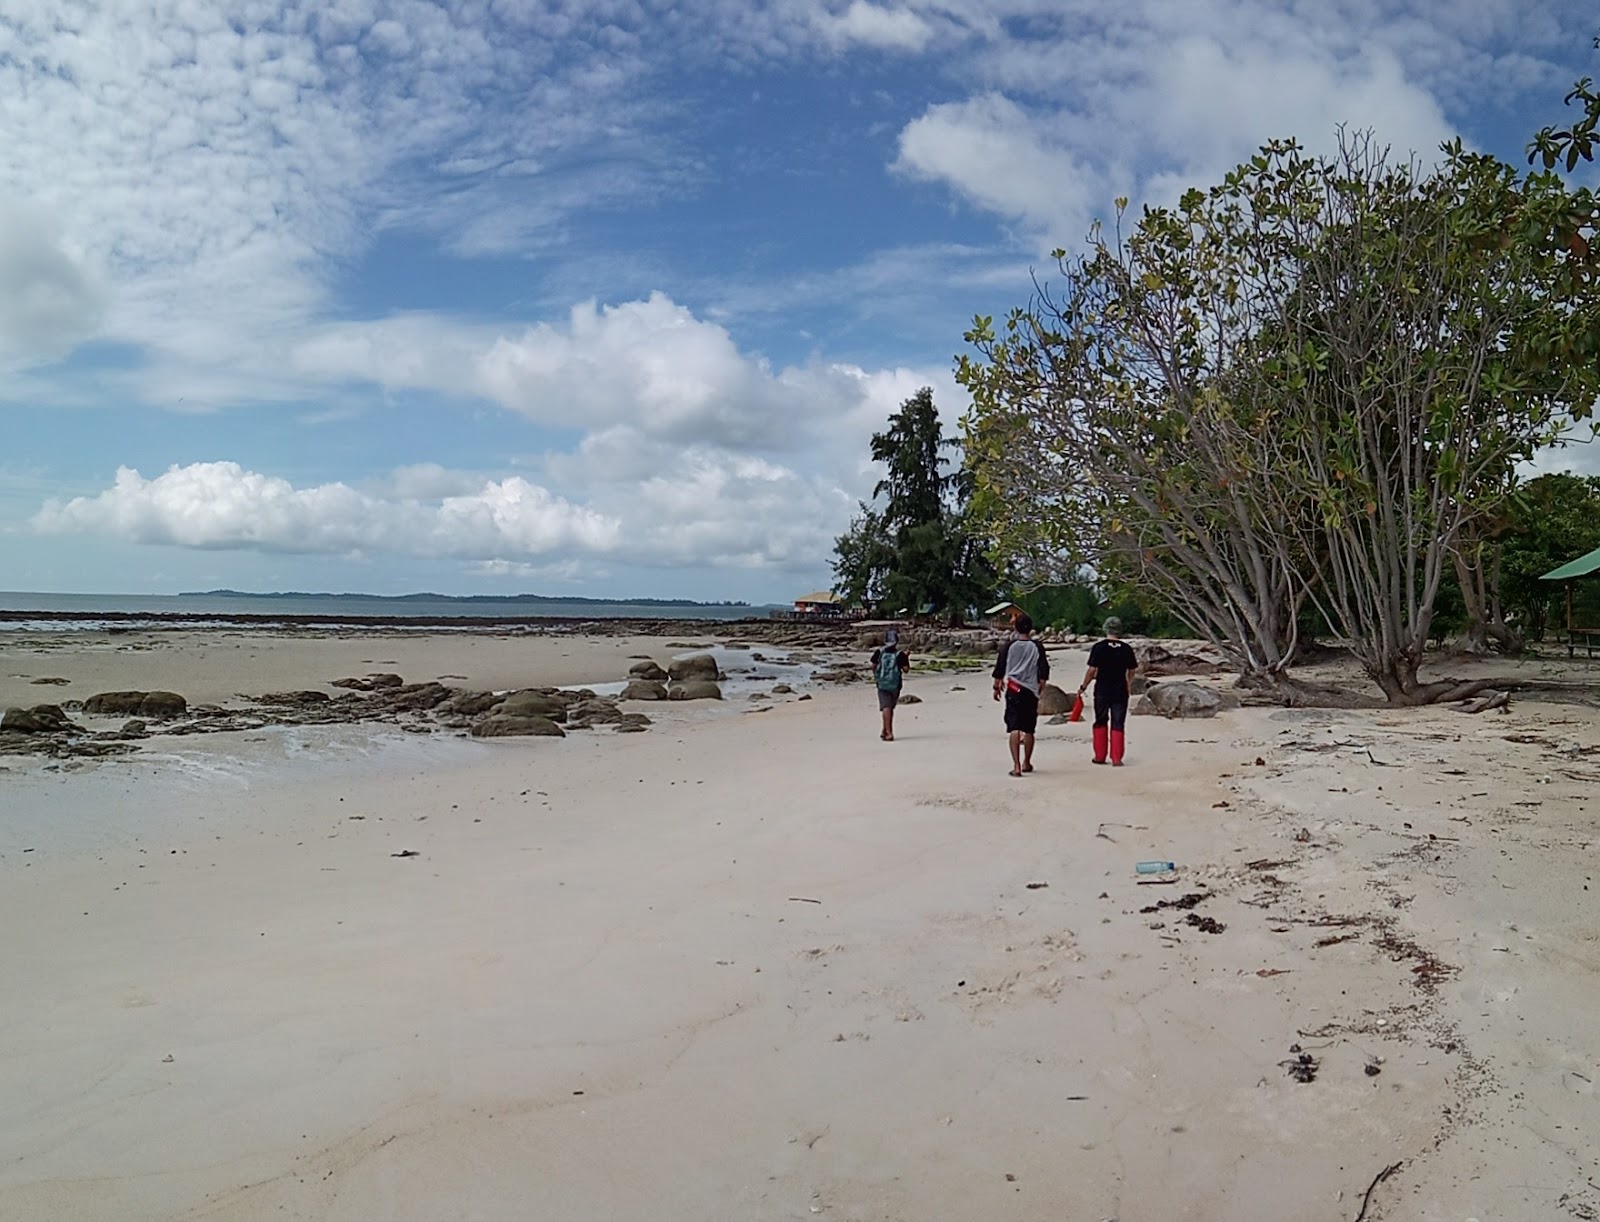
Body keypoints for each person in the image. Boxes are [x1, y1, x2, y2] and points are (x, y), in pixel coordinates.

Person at [992, 613, 1049, 777]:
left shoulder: (1008, 646)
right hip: (1030, 691)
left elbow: (1000, 668)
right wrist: (1040, 687)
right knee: (1029, 728)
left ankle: (1016, 766)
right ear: (1030, 629)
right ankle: (1027, 762)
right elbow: (1043, 670)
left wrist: (996, 687)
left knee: (1014, 727)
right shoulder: (1037, 646)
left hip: (1013, 689)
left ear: (1015, 628)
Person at [1077, 616, 1138, 766]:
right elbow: (1132, 669)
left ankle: (1100, 756)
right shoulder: (1126, 649)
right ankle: (1116, 758)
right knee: (1118, 722)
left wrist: (1083, 686)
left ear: (1106, 628)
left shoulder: (1099, 647)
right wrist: (1128, 683)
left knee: (1100, 721)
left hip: (1103, 690)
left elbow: (1092, 670)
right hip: (1120, 690)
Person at [870, 628, 910, 741]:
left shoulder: (879, 652)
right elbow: (906, 670)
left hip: (882, 684)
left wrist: (878, 677)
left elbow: (873, 666)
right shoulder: (900, 654)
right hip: (895, 684)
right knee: (890, 708)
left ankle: (887, 731)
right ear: (896, 641)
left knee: (886, 708)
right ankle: (887, 731)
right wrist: (906, 657)